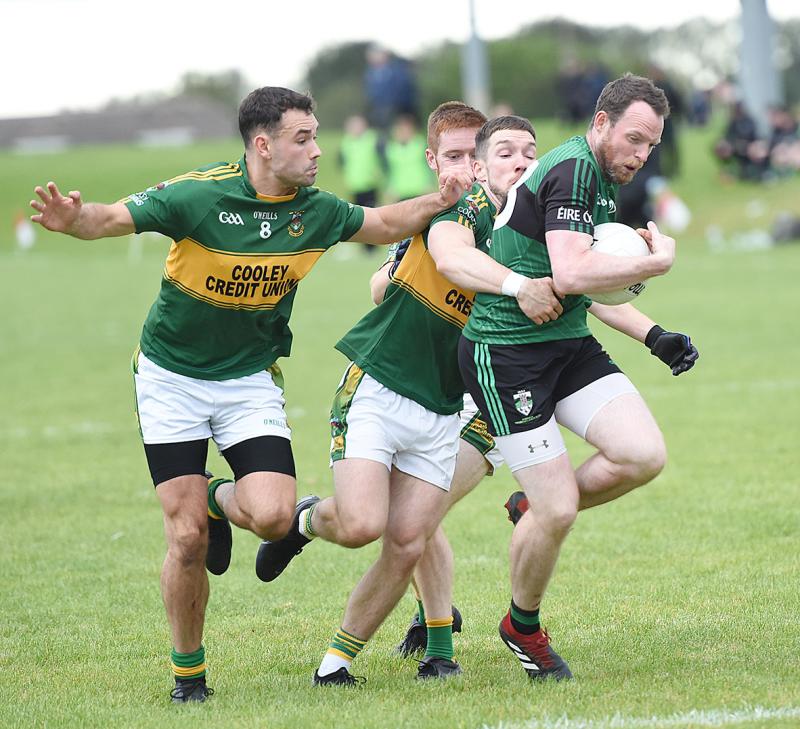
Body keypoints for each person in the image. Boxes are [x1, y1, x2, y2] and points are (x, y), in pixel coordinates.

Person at [28, 86, 472, 703]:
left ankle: (217, 497)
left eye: (317, 136)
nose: (319, 150)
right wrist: (72, 219)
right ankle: (189, 675)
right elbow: (109, 218)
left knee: (270, 518)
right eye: (303, 139)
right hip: (170, 378)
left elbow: (383, 224)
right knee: (185, 537)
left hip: (248, 380)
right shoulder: (201, 194)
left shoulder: (314, 210)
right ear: (263, 146)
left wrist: (441, 199)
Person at [254, 104, 563, 685]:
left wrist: (639, 300)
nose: (470, 168)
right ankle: (310, 525)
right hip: (387, 384)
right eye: (457, 158)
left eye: (484, 154)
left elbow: (578, 286)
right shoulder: (450, 212)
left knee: (414, 529)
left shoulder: (532, 225)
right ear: (436, 161)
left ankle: (388, 653)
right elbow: (400, 274)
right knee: (370, 524)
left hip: (462, 400)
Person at [387, 116, 697, 662]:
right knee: (410, 515)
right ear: (478, 166)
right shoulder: (463, 212)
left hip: (546, 360)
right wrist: (514, 285)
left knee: (631, 462)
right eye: (505, 151)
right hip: (470, 376)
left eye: (531, 150)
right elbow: (448, 258)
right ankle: (418, 616)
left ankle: (462, 615)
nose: (522, 160)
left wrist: (653, 333)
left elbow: (579, 285)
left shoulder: (552, 200)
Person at [338, 114, 384, 253]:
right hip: (354, 185)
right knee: (357, 218)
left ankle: (372, 246)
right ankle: (364, 246)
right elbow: (342, 161)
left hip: (370, 184)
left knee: (373, 217)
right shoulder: (346, 142)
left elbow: (382, 158)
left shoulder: (372, 139)